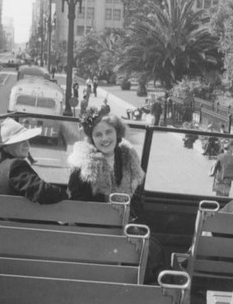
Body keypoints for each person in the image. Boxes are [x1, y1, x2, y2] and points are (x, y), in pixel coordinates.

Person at [67, 107, 163, 283]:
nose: (105, 138)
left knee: (153, 250)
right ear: (91, 139)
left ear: (117, 133)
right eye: (98, 135)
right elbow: (77, 207)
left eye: (108, 132)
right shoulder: (83, 165)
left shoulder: (127, 158)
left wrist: (129, 216)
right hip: (95, 234)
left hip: (124, 228)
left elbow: (137, 198)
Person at [0, 118, 67, 204]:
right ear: (5, 147)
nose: (27, 144)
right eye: (21, 141)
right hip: (17, 216)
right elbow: (41, 192)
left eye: (26, 140)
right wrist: (67, 195)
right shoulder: (15, 166)